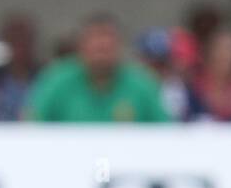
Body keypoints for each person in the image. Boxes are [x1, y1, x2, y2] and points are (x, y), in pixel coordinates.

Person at [26, 14, 169, 122]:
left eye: (107, 47)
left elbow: (166, 131)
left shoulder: (142, 83)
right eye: (96, 46)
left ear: (119, 47)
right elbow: (33, 123)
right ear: (81, 47)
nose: (101, 52)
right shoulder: (56, 80)